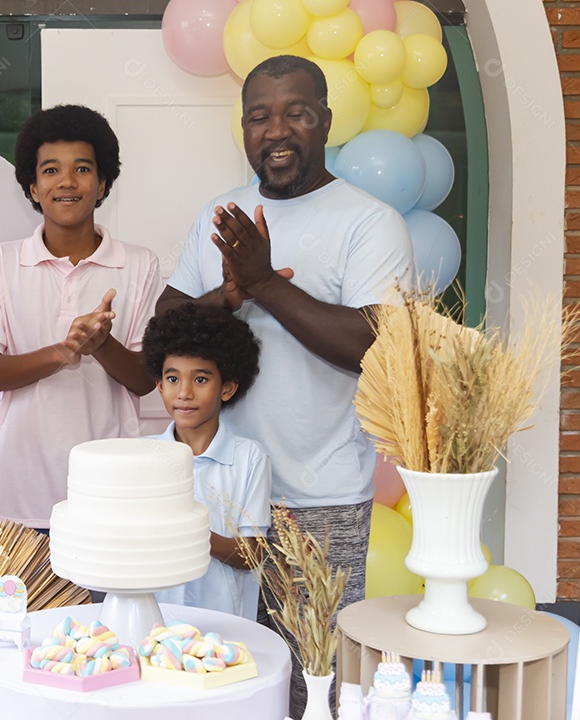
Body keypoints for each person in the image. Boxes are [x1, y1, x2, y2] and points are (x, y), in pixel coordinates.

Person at [156, 56, 414, 713]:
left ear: (325, 120)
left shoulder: (369, 221)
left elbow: (371, 347)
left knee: (313, 684)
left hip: (317, 502)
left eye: (296, 113)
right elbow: (164, 327)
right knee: (212, 676)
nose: (276, 130)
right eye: (259, 116)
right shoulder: (221, 214)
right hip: (216, 491)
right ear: (243, 128)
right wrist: (228, 295)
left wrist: (265, 285)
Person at [0, 104, 163, 530]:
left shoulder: (140, 264)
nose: (67, 182)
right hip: (17, 497)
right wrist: (62, 351)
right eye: (51, 170)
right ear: (33, 187)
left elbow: (146, 379)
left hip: (110, 494)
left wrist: (101, 345)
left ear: (103, 183)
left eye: (82, 169)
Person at [142, 303, 271, 620]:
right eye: (173, 378)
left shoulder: (249, 458)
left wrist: (193, 532)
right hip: (155, 623)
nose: (184, 393)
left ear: (227, 388)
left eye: (200, 380)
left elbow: (252, 554)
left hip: (225, 628)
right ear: (159, 385)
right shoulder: (141, 456)